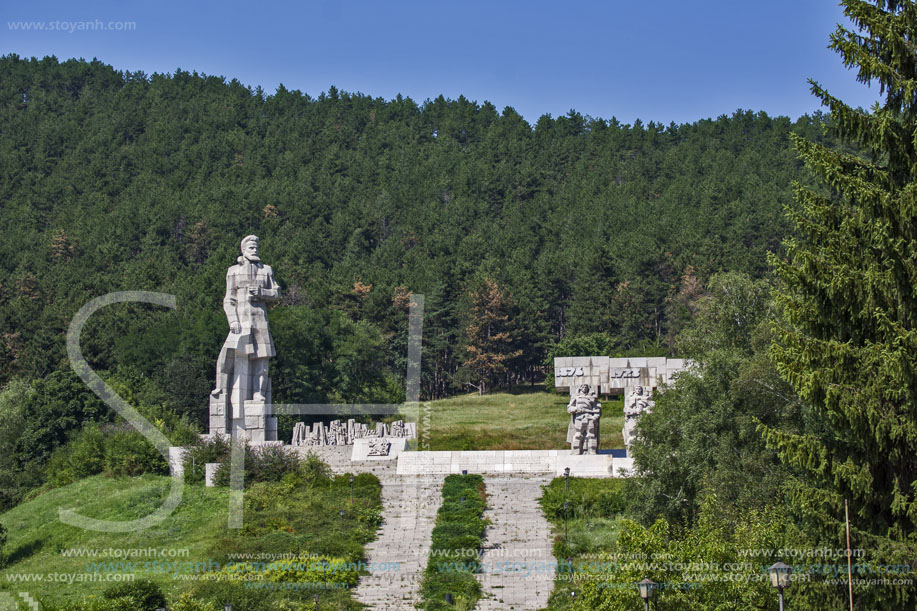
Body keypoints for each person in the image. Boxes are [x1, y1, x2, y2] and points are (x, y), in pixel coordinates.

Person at [211, 235, 281, 404]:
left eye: (256, 247)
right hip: (240, 322)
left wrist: (262, 293)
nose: (255, 250)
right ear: (243, 249)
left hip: (260, 321)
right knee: (227, 356)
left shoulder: (266, 270)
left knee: (262, 359)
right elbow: (229, 299)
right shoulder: (233, 271)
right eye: (251, 247)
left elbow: (277, 293)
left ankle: (258, 393)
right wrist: (232, 321)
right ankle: (221, 388)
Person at [567, 383, 601, 454]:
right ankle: (576, 451)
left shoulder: (592, 397)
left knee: (591, 435)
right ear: (580, 388)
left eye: (586, 387)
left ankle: (592, 451)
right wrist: (576, 409)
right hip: (579, 417)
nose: (584, 388)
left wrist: (595, 416)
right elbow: (569, 407)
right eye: (583, 386)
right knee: (578, 434)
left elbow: (597, 408)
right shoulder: (576, 396)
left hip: (590, 417)